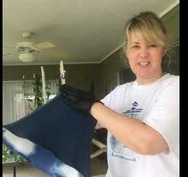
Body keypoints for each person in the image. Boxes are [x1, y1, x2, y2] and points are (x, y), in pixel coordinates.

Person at [60, 11, 179, 177]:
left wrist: (93, 106)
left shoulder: (174, 86)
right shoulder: (121, 91)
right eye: (136, 46)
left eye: (152, 45)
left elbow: (148, 143)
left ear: (163, 50)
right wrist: (61, 110)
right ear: (127, 52)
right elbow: (88, 121)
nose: (143, 53)